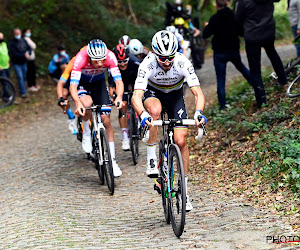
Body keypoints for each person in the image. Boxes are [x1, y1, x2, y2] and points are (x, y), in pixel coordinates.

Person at [132, 30, 207, 211]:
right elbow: (136, 96)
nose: (166, 62)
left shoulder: (183, 62)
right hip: (153, 94)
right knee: (155, 112)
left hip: (175, 97)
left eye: (170, 58)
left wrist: (198, 113)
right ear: (155, 54)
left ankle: (185, 190)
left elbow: (198, 93)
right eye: (162, 58)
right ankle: (151, 157)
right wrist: (143, 115)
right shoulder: (147, 63)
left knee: (181, 140)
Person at [69, 39, 125, 177]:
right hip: (83, 83)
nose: (100, 63)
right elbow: (73, 86)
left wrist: (118, 97)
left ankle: (112, 161)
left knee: (106, 120)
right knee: (86, 104)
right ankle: (87, 131)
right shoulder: (81, 58)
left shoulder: (110, 56)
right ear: (89, 57)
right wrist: (78, 103)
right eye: (96, 61)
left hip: (99, 84)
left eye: (102, 60)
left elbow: (118, 81)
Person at [235, 0, 287, 108]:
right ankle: (284, 81)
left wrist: (243, 32)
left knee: (255, 70)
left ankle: (262, 101)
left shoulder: (243, 2)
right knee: (273, 54)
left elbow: (237, 21)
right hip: (269, 32)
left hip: (252, 36)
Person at [203, 0, 252, 110]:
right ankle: (257, 87)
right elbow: (241, 33)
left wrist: (207, 26)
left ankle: (222, 106)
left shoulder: (214, 18)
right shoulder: (234, 16)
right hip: (233, 51)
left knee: (221, 79)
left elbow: (205, 34)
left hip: (219, 53)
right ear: (227, 3)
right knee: (243, 69)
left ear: (216, 5)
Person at [108, 44, 140, 151]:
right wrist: (113, 97)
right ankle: (125, 136)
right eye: (119, 62)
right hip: (120, 84)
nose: (122, 64)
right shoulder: (112, 65)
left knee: (139, 99)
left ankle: (140, 121)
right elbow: (111, 86)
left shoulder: (135, 62)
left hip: (134, 81)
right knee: (123, 106)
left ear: (129, 57)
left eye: (124, 61)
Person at [56, 56, 78, 135]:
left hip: (79, 83)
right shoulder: (67, 69)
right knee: (64, 94)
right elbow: (61, 84)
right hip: (68, 83)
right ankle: (71, 117)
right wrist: (60, 98)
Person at [9, 28, 31, 98]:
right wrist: (23, 56)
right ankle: (23, 92)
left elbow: (29, 48)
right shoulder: (12, 43)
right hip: (16, 63)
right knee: (20, 77)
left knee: (24, 77)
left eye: (19, 33)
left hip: (24, 63)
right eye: (16, 34)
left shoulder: (23, 40)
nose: (18, 35)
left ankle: (23, 89)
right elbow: (13, 54)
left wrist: (28, 53)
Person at [0, 32, 12, 101]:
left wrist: (8, 62)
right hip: (1, 68)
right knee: (5, 83)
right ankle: (8, 97)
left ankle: (5, 95)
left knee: (8, 81)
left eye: (2, 37)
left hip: (7, 66)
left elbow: (6, 54)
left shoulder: (4, 44)